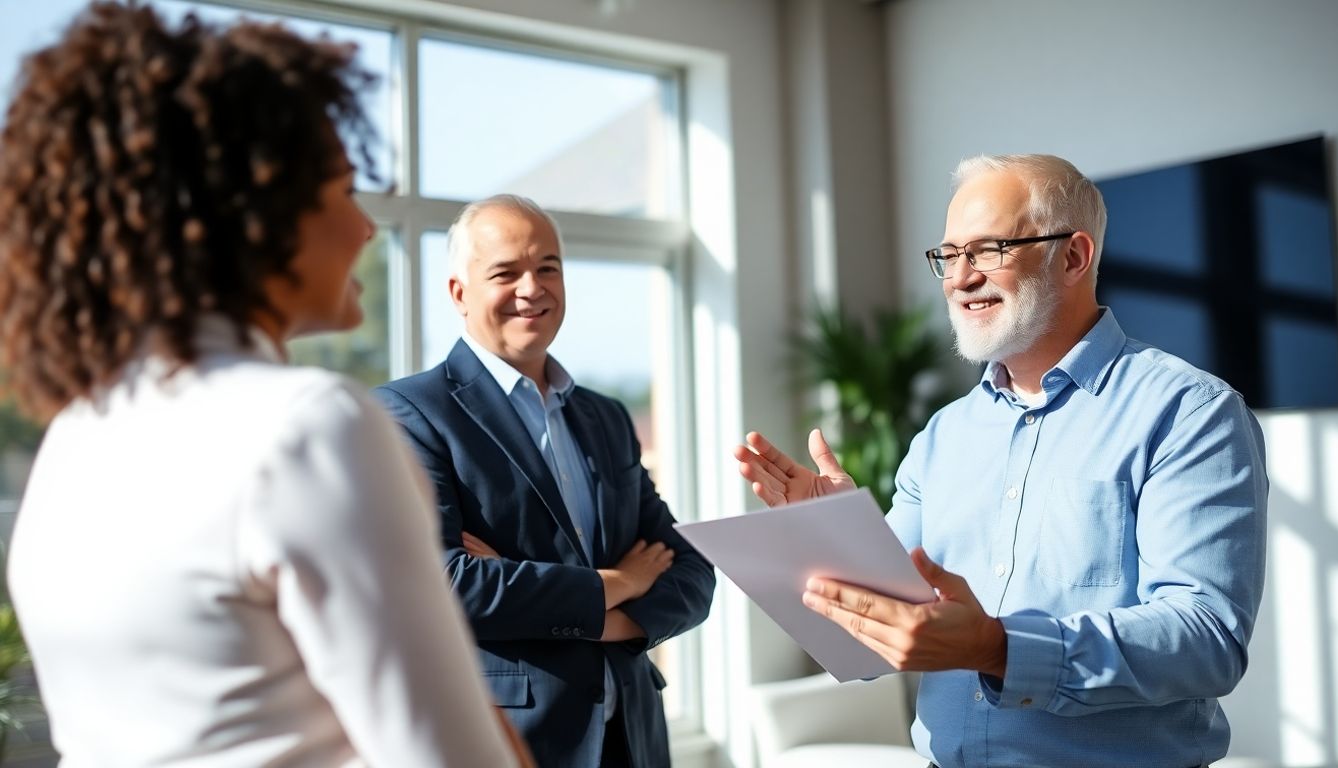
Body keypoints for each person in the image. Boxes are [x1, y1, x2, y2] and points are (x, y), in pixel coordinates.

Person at [0, 5, 528, 765]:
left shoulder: (75, 434)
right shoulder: (306, 426)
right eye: (345, 191)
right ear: (261, 209)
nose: (366, 230)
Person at [735, 154, 1268, 768]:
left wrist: (1001, 647)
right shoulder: (942, 436)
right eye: (948, 255)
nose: (960, 277)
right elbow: (880, 642)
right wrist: (832, 542)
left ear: (1072, 256)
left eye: (988, 250)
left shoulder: (1190, 414)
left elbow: (1207, 641)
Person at [373, 194, 715, 768]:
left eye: (547, 268)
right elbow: (451, 586)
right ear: (459, 293)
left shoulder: (604, 415)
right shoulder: (411, 413)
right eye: (505, 273)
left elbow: (690, 570)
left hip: (633, 740)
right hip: (511, 741)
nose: (532, 289)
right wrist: (619, 579)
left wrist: (604, 620)